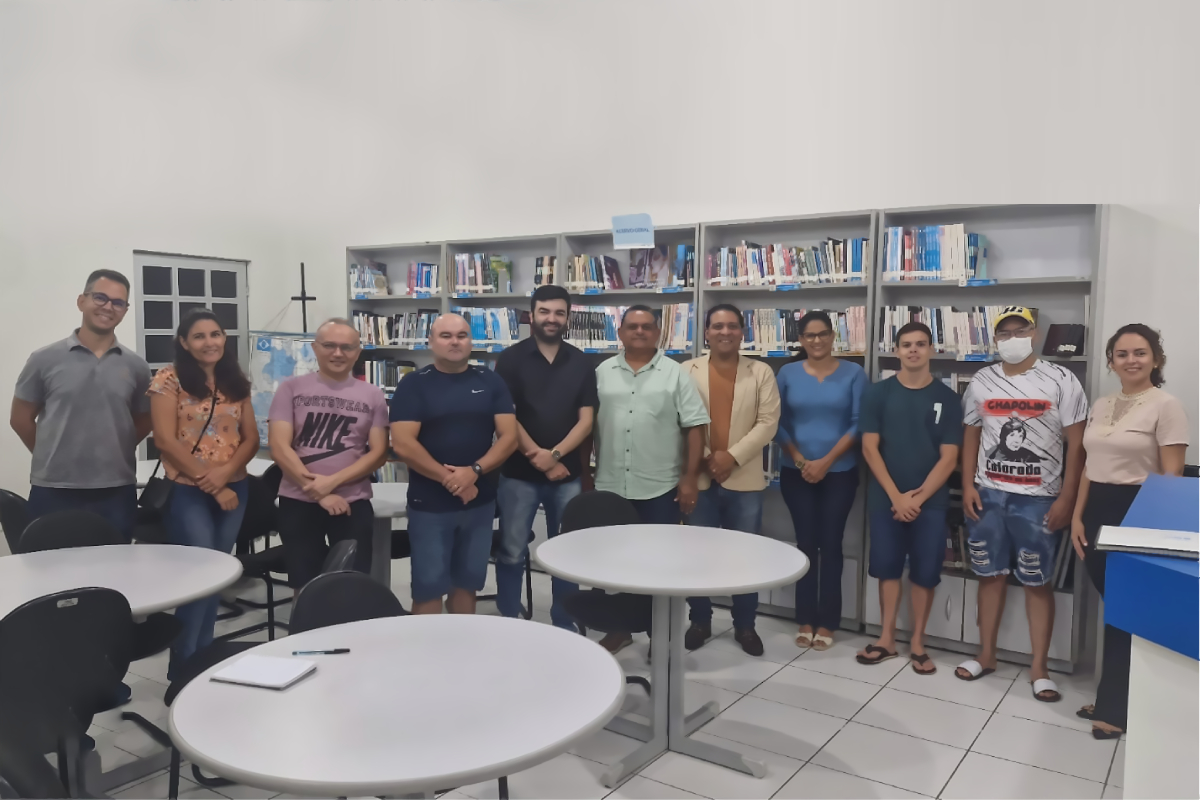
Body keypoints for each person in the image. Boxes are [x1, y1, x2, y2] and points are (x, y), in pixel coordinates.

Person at [955, 307, 1087, 700]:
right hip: (988, 495)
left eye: (1021, 329)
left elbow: (1078, 444)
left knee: (1037, 582)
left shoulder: (1062, 379)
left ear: (1035, 332)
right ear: (995, 338)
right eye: (1004, 332)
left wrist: (1067, 496)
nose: (1012, 338)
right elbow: (971, 434)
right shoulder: (982, 380)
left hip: (1039, 500)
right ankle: (986, 655)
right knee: (989, 576)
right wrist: (967, 485)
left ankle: (1039, 668)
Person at [1072, 323, 1188, 739]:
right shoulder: (1102, 404)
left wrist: (1153, 531)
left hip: (1138, 511)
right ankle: (1117, 697)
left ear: (1156, 359)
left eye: (1140, 352)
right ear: (1111, 361)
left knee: (1127, 609)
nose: (1131, 360)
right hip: (1096, 512)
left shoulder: (1166, 405)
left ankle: (1114, 709)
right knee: (1116, 608)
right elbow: (1090, 466)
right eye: (1122, 354)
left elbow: (1172, 477)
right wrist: (1077, 516)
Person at [587, 305, 709, 653]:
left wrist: (689, 478)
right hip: (610, 485)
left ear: (658, 333)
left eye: (646, 326)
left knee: (659, 566)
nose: (639, 332)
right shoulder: (601, 372)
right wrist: (585, 475)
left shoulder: (675, 374)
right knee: (612, 565)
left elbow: (695, 427)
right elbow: (586, 425)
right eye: (632, 326)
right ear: (620, 332)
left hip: (660, 487)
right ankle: (619, 629)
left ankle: (660, 636)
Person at [147, 310, 259, 679]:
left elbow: (251, 438)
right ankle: (182, 666)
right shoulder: (168, 379)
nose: (209, 342)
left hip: (234, 486)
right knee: (199, 576)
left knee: (218, 573)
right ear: (184, 342)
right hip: (187, 489)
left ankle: (204, 655)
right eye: (199, 336)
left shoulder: (234, 380)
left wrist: (226, 474)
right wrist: (212, 482)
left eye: (215, 334)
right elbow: (165, 440)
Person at [390, 313, 518, 615]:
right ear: (431, 342)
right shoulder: (413, 384)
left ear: (471, 341)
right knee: (429, 587)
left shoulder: (490, 380)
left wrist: (473, 472)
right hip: (430, 504)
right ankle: (428, 645)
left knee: (467, 584)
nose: (455, 342)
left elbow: (509, 438)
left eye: (462, 335)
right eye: (446, 336)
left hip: (479, 502)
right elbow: (404, 444)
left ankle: (462, 642)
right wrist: (452, 479)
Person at [11, 269, 152, 539]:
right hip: (54, 489)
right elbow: (20, 419)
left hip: (116, 490)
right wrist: (52, 453)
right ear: (82, 301)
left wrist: (114, 447)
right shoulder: (44, 359)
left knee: (114, 561)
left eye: (118, 302)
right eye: (100, 297)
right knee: (51, 563)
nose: (108, 307)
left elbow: (145, 420)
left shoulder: (137, 367)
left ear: (125, 310)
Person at [857, 321, 962, 674]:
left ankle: (918, 642)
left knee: (925, 572)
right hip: (885, 499)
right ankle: (886, 638)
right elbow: (870, 449)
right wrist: (896, 496)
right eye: (906, 344)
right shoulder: (877, 394)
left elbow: (949, 457)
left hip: (930, 503)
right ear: (896, 350)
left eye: (920, 344)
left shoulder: (948, 399)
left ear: (931, 349)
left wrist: (917, 499)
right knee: (887, 568)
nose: (913, 350)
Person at [680, 304, 780, 656]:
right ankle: (700, 620)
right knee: (698, 555)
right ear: (706, 332)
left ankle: (745, 625)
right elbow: (680, 419)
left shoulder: (761, 371)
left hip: (745, 479)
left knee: (745, 557)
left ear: (743, 332)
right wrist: (710, 457)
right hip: (700, 478)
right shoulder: (686, 370)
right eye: (718, 326)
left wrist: (731, 457)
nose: (725, 332)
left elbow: (768, 422)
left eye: (733, 326)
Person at [495, 286, 596, 630]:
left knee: (565, 552)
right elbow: (507, 417)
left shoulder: (581, 361)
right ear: (532, 314)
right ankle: (509, 619)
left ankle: (564, 622)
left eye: (559, 313)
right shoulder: (510, 359)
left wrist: (553, 456)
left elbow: (586, 421)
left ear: (568, 317)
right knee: (512, 550)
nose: (551, 319)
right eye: (544, 311)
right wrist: (535, 455)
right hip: (518, 474)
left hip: (566, 475)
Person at [268, 318, 389, 589]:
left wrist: (331, 483)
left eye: (347, 347)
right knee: (304, 584)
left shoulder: (373, 395)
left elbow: (379, 452)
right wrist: (320, 493)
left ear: (357, 352)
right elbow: (279, 447)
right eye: (329, 345)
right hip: (297, 501)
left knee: (352, 583)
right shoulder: (291, 388)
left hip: (352, 502)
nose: (338, 353)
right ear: (315, 348)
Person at [776, 310, 868, 651]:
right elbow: (775, 420)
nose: (816, 340)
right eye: (809, 335)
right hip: (795, 471)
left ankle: (828, 621)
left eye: (823, 334)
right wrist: (801, 461)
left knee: (831, 545)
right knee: (805, 543)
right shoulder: (787, 373)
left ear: (833, 336)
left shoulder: (854, 373)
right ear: (801, 340)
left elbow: (859, 422)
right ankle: (804, 618)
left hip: (840, 473)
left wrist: (825, 462)